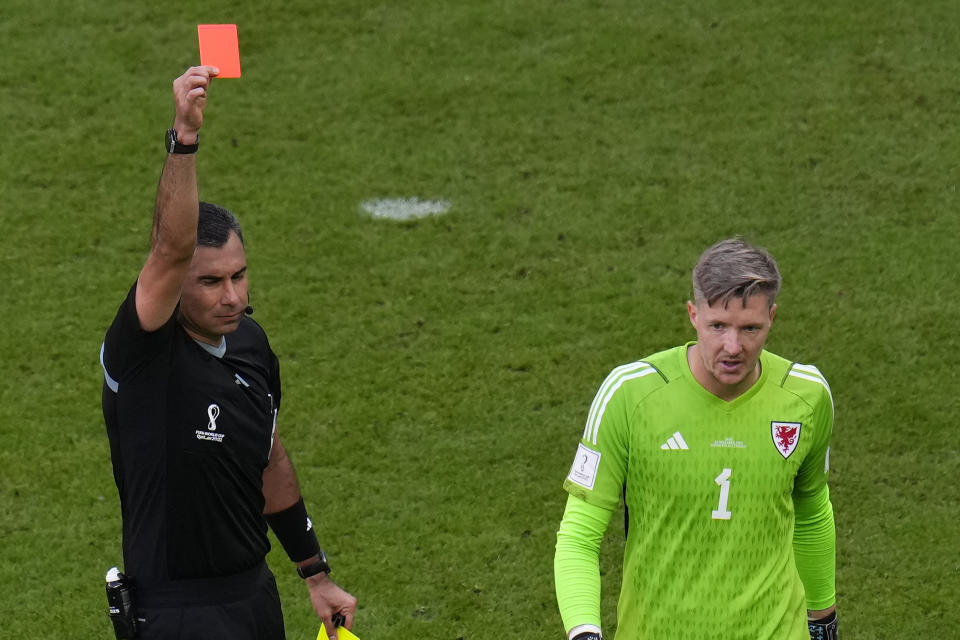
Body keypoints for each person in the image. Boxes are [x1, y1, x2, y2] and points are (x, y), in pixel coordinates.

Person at [99, 66, 356, 640]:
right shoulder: (143, 355)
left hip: (253, 599)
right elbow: (171, 247)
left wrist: (315, 573)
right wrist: (184, 137)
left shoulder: (250, 345)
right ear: (176, 286)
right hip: (174, 613)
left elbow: (268, 456)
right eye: (211, 282)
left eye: (239, 276)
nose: (233, 296)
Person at [554, 238, 838, 640]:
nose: (733, 347)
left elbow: (811, 509)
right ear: (693, 315)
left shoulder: (806, 396)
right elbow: (580, 534)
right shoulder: (630, 396)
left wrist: (824, 620)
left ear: (772, 317)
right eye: (718, 326)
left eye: (750, 329)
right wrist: (584, 633)